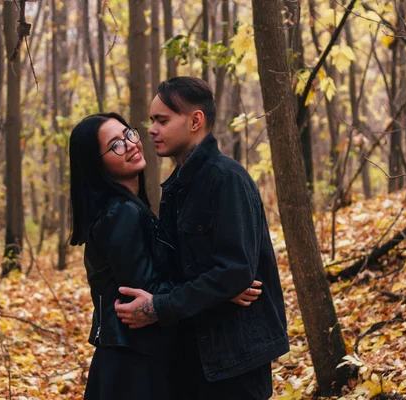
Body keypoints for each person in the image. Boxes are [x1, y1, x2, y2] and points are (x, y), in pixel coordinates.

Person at [114, 77, 290, 400]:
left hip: (235, 360)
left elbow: (236, 271)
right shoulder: (175, 189)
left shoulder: (227, 180)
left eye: (162, 120)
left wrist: (159, 307)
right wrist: (220, 290)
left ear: (195, 121)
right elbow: (185, 271)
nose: (151, 130)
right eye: (152, 120)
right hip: (192, 355)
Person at [69, 112, 260, 400]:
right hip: (132, 367)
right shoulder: (121, 214)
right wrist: (218, 290)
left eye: (128, 134)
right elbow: (146, 295)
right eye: (115, 145)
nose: (131, 144)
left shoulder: (131, 208)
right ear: (97, 165)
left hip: (139, 358)